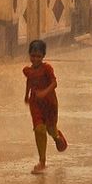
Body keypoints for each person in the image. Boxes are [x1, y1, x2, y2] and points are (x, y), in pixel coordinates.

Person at [23, 39, 67, 174]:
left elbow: (54, 83)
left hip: (50, 103)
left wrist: (44, 92)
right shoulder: (27, 70)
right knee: (39, 129)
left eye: (38, 56)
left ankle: (57, 136)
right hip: (35, 103)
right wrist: (26, 95)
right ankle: (42, 161)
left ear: (43, 56)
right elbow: (30, 81)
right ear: (29, 55)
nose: (35, 59)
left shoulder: (47, 68)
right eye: (33, 56)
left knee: (50, 129)